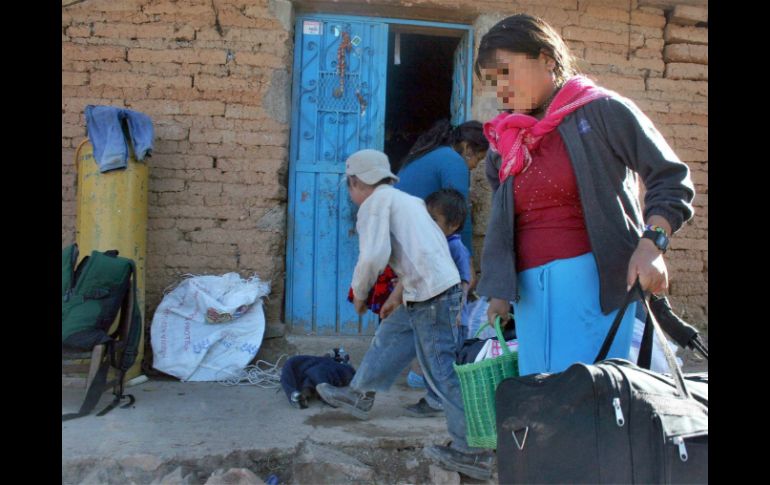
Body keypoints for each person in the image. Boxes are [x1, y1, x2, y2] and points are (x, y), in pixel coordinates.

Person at [473, 14, 695, 378]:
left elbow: (671, 177)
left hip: (592, 285)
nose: (501, 90)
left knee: (587, 401)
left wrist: (651, 245)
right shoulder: (506, 142)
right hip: (529, 295)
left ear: (546, 58)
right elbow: (504, 223)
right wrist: (500, 290)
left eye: (506, 72)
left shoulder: (602, 111)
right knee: (542, 404)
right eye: (492, 82)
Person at [316, 149, 494, 481]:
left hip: (433, 296)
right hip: (424, 291)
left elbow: (374, 256)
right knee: (389, 339)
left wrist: (361, 292)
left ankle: (473, 452)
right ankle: (358, 394)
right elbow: (423, 253)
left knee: (442, 372)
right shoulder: (405, 201)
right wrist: (397, 296)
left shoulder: (373, 206)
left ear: (355, 183)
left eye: (349, 186)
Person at [392, 119, 489, 416]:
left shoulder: (430, 155)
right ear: (466, 148)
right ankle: (432, 381)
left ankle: (417, 371)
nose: (473, 167)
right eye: (477, 159)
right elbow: (460, 213)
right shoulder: (452, 160)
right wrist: (468, 262)